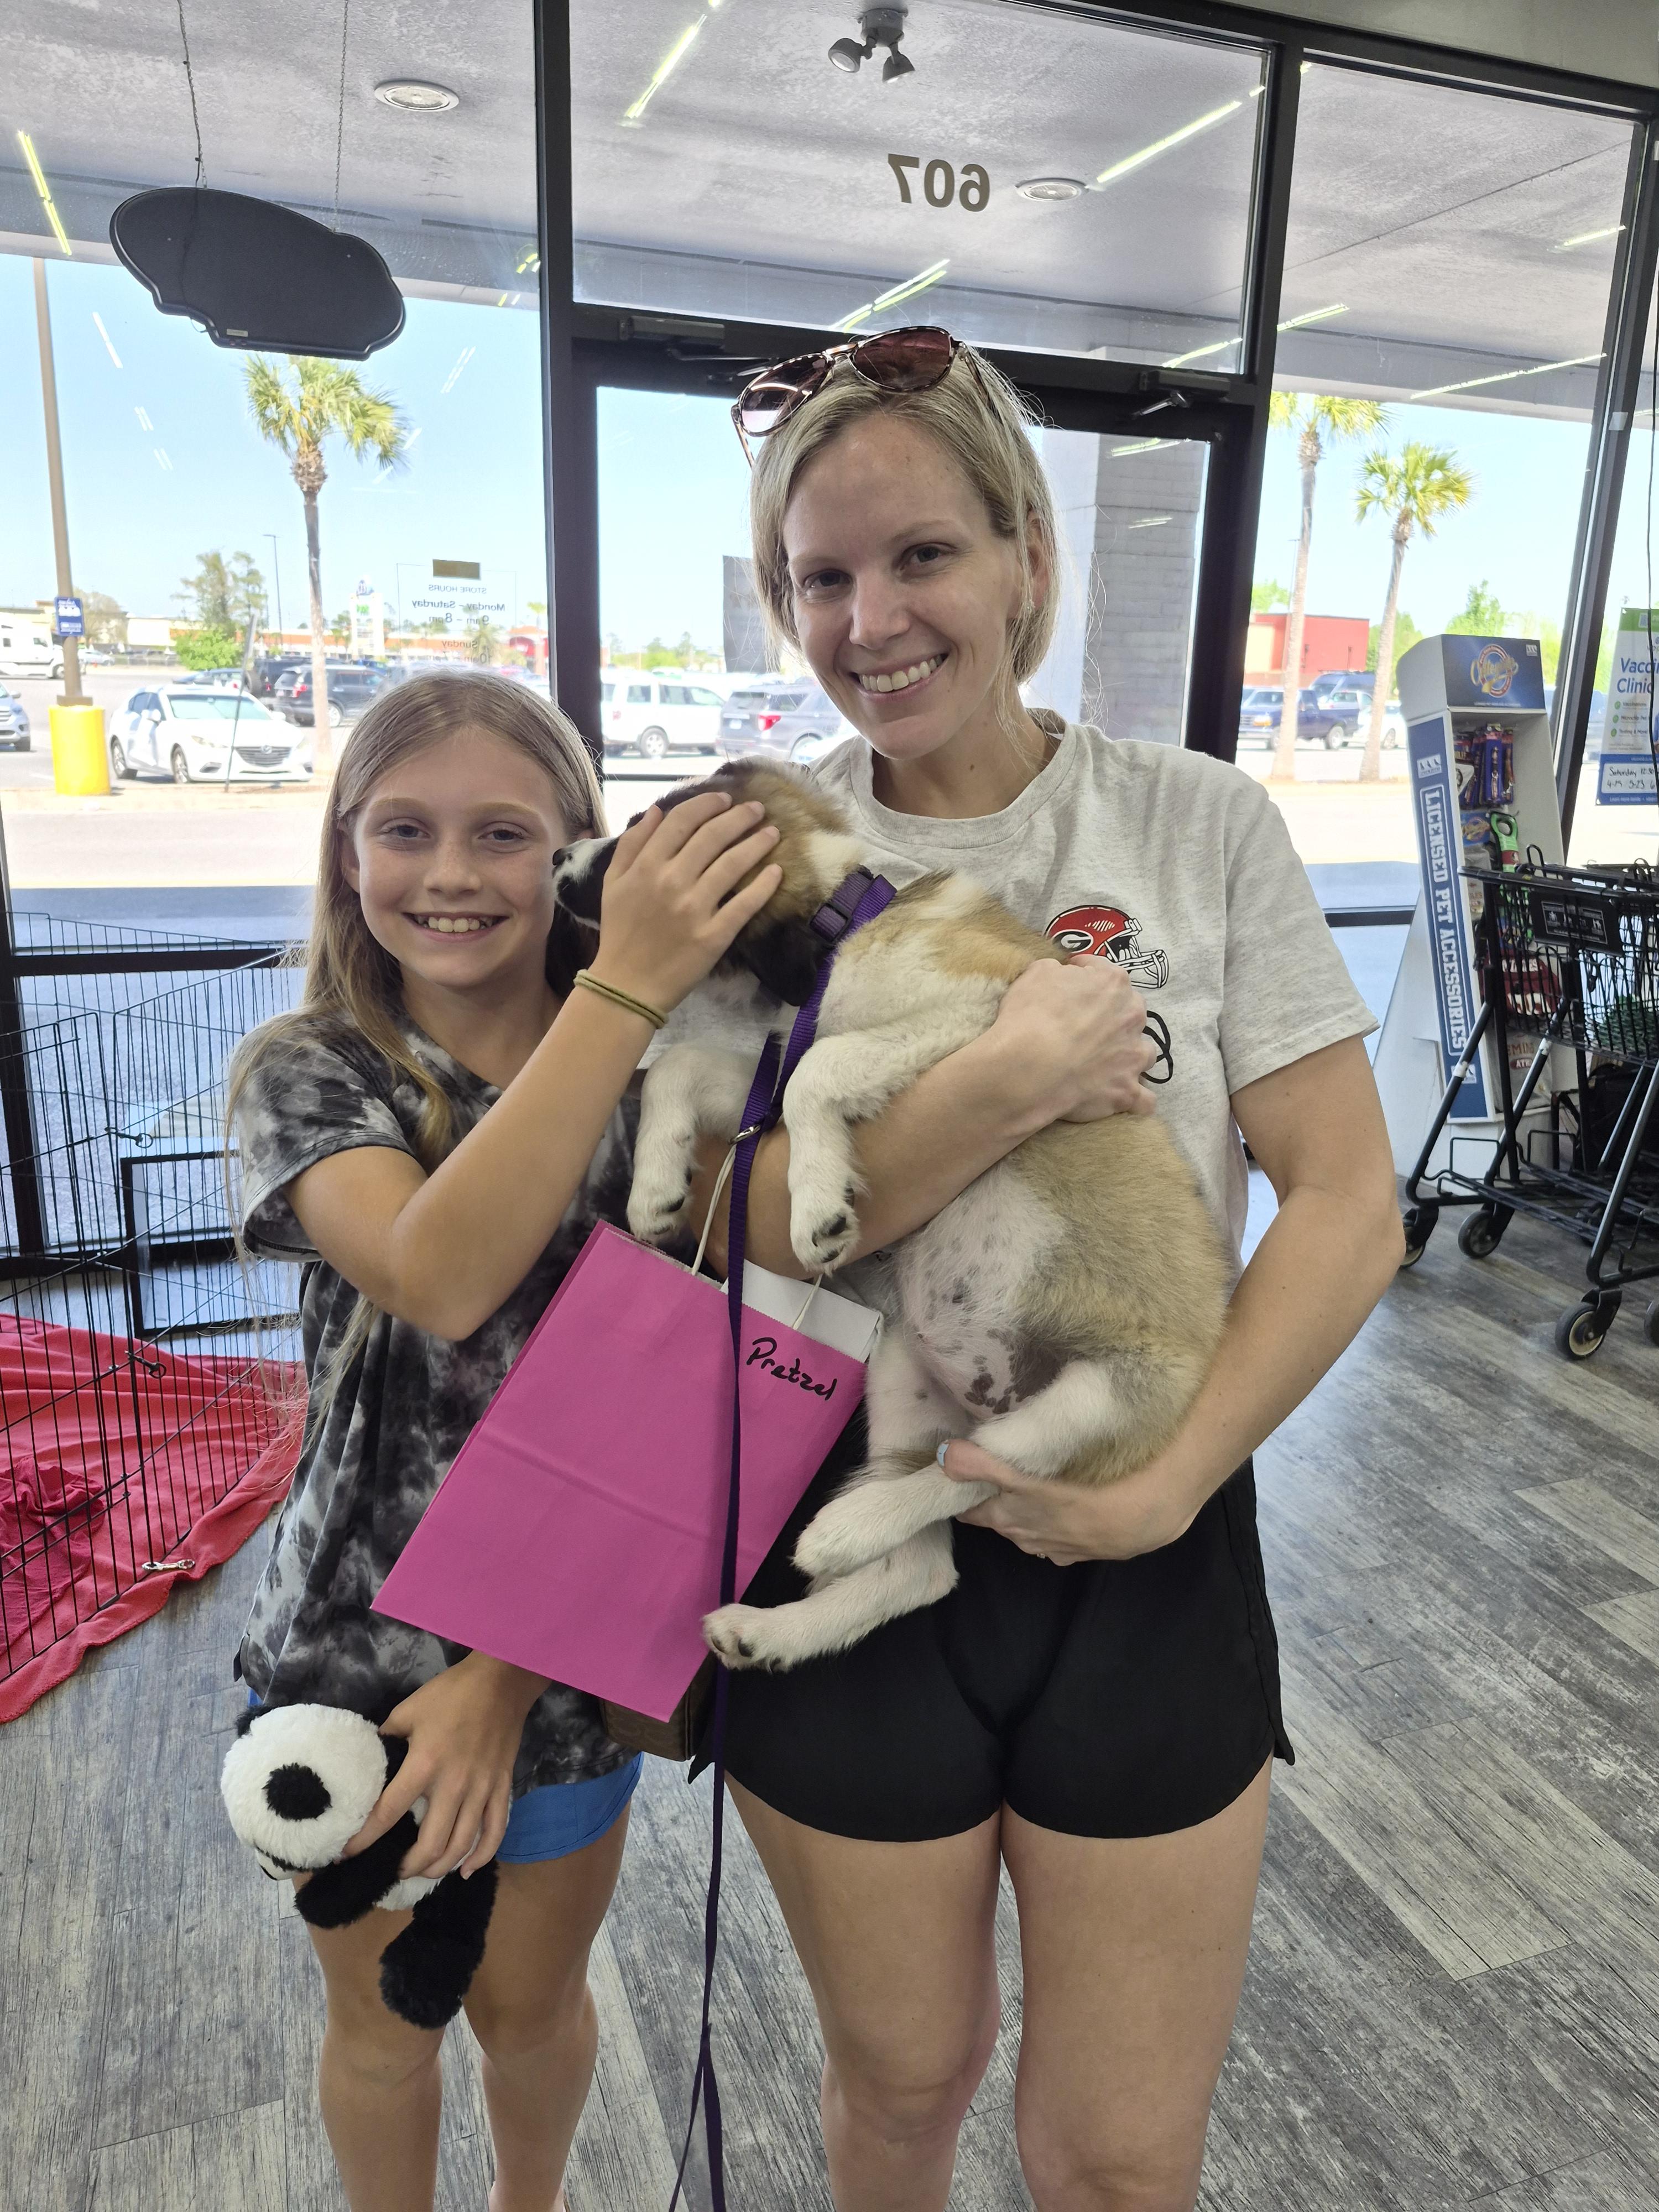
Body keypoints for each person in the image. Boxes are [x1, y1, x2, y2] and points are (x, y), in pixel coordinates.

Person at [226, 667, 1148, 2212]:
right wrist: (624, 989)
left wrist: (508, 1676)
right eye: (404, 831)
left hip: (559, 1659)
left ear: (585, 856)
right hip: (353, 1661)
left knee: (529, 2010)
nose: (452, 874)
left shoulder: (685, 1081)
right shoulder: (314, 1071)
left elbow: (699, 1377)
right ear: (345, 854)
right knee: (388, 2018)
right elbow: (444, 1274)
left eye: (504, 834)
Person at [697, 328, 1405, 2212]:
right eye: (819, 576)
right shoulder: (758, 858)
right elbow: (720, 1216)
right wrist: (1003, 1086)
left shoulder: (1193, 826)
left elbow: (1345, 1200)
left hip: (1143, 1535)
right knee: (906, 2089)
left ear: (1026, 552)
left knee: (1111, 2153)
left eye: (921, 554)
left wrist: (1176, 1476)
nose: (872, 617)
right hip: (837, 1500)